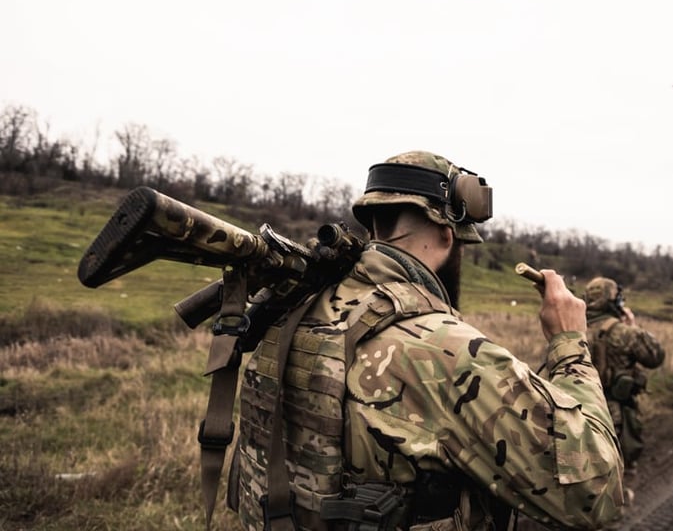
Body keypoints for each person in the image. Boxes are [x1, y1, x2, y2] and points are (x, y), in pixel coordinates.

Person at [228, 151, 624, 531]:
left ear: (374, 226)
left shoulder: (299, 308)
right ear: (448, 234)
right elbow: (595, 493)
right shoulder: (442, 349)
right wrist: (569, 342)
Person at [583, 277, 665, 486]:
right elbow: (655, 356)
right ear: (614, 301)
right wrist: (634, 327)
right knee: (620, 471)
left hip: (578, 410)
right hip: (615, 413)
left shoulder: (573, 329)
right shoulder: (624, 332)